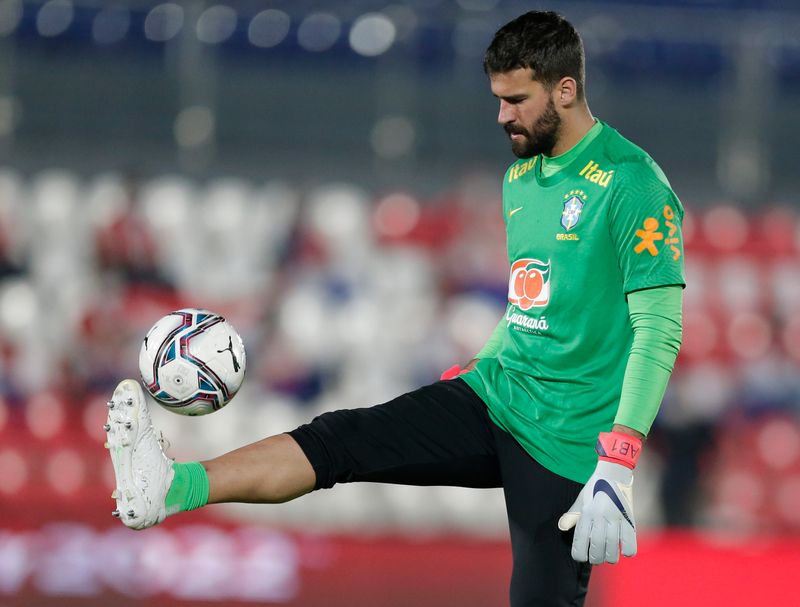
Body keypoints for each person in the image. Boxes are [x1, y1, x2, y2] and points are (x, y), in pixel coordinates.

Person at [105, 11, 684, 606]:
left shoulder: (632, 184)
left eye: (516, 99)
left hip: (569, 441)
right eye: (497, 98)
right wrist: (478, 367)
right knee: (342, 438)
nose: (502, 115)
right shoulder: (524, 178)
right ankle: (174, 486)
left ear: (565, 90)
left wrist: (619, 457)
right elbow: (529, 302)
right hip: (497, 397)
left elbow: (659, 331)